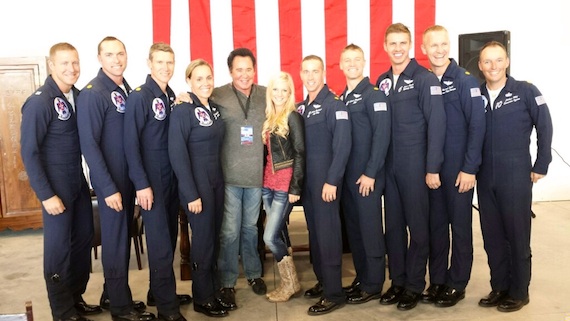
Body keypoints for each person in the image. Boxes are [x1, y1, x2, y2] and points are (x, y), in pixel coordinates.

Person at [20, 42, 101, 321]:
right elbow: (29, 153)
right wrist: (46, 194)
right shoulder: (40, 101)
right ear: (51, 65)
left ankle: (75, 297)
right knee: (58, 252)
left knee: (82, 243)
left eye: (75, 62)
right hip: (55, 190)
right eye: (64, 63)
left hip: (77, 186)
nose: (72, 68)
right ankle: (62, 311)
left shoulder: (78, 96)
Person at [77, 36, 153, 321]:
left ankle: (112, 294)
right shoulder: (93, 93)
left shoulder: (125, 89)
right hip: (111, 182)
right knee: (116, 241)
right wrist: (106, 187)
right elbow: (90, 145)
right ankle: (121, 309)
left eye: (120, 53)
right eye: (109, 55)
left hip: (128, 178)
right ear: (99, 59)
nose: (116, 59)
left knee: (121, 239)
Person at [476, 40, 553, 312]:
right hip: (485, 178)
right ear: (480, 65)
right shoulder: (477, 95)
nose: (493, 66)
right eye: (487, 61)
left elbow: (544, 125)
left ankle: (519, 291)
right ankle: (500, 287)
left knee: (517, 235)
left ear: (507, 61)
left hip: (516, 175)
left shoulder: (526, 91)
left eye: (498, 60)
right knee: (492, 236)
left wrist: (541, 163)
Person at [375, 22, 446, 311]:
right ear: (384, 46)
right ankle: (398, 281)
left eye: (402, 42)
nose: (397, 48)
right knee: (393, 228)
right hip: (389, 167)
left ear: (411, 45)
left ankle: (415, 285)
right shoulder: (381, 81)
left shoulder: (424, 78)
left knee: (418, 228)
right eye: (392, 43)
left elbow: (437, 125)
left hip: (415, 165)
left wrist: (432, 167)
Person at [419, 25, 486, 307]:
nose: (439, 50)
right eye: (433, 45)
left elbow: (478, 126)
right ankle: (437, 280)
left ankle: (457, 283)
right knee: (436, 227)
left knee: (459, 228)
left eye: (444, 44)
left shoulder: (464, 80)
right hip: (432, 171)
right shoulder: (423, 80)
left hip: (459, 171)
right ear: (424, 49)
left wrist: (470, 168)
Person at [123, 42, 188, 321]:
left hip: (170, 180)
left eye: (169, 62)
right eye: (160, 62)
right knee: (160, 246)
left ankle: (157, 292)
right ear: (149, 64)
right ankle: (167, 309)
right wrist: (141, 184)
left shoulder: (169, 93)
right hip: (152, 183)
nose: (165, 67)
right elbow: (130, 144)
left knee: (170, 239)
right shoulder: (140, 96)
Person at [168, 59, 229, 318]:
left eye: (208, 77)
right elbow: (177, 153)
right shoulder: (183, 110)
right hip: (197, 185)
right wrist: (191, 193)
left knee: (213, 239)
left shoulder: (213, 108)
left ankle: (212, 290)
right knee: (202, 242)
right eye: (199, 78)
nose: (205, 83)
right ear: (189, 82)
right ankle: (202, 298)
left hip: (216, 181)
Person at [211, 48, 267, 309]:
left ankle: (254, 274)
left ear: (254, 69)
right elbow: (197, 102)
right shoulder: (218, 94)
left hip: (256, 176)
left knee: (251, 229)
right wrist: (182, 98)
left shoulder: (266, 94)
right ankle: (228, 281)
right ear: (230, 71)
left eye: (248, 69)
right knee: (230, 231)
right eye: (238, 69)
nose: (244, 74)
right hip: (230, 176)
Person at [298, 55, 351, 315]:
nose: (310, 76)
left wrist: (333, 180)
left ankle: (334, 293)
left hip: (326, 183)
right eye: (306, 71)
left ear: (323, 74)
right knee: (316, 235)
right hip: (308, 185)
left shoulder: (334, 104)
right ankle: (323, 281)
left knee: (328, 236)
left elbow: (342, 147)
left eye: (315, 71)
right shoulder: (301, 107)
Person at [338, 44, 390, 305]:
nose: (352, 64)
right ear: (340, 64)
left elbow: (382, 137)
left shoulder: (374, 95)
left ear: (364, 62)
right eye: (347, 60)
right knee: (355, 232)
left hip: (366, 177)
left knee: (370, 231)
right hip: (348, 178)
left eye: (356, 59)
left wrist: (370, 173)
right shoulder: (341, 98)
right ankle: (362, 277)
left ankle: (374, 283)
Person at [260, 71, 305, 302]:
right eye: (275, 89)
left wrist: (295, 187)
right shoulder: (269, 117)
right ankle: (291, 284)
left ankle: (290, 283)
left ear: (290, 93)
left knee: (269, 237)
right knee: (280, 233)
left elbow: (299, 152)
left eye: (284, 90)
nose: (279, 94)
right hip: (267, 185)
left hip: (284, 186)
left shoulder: (292, 117)